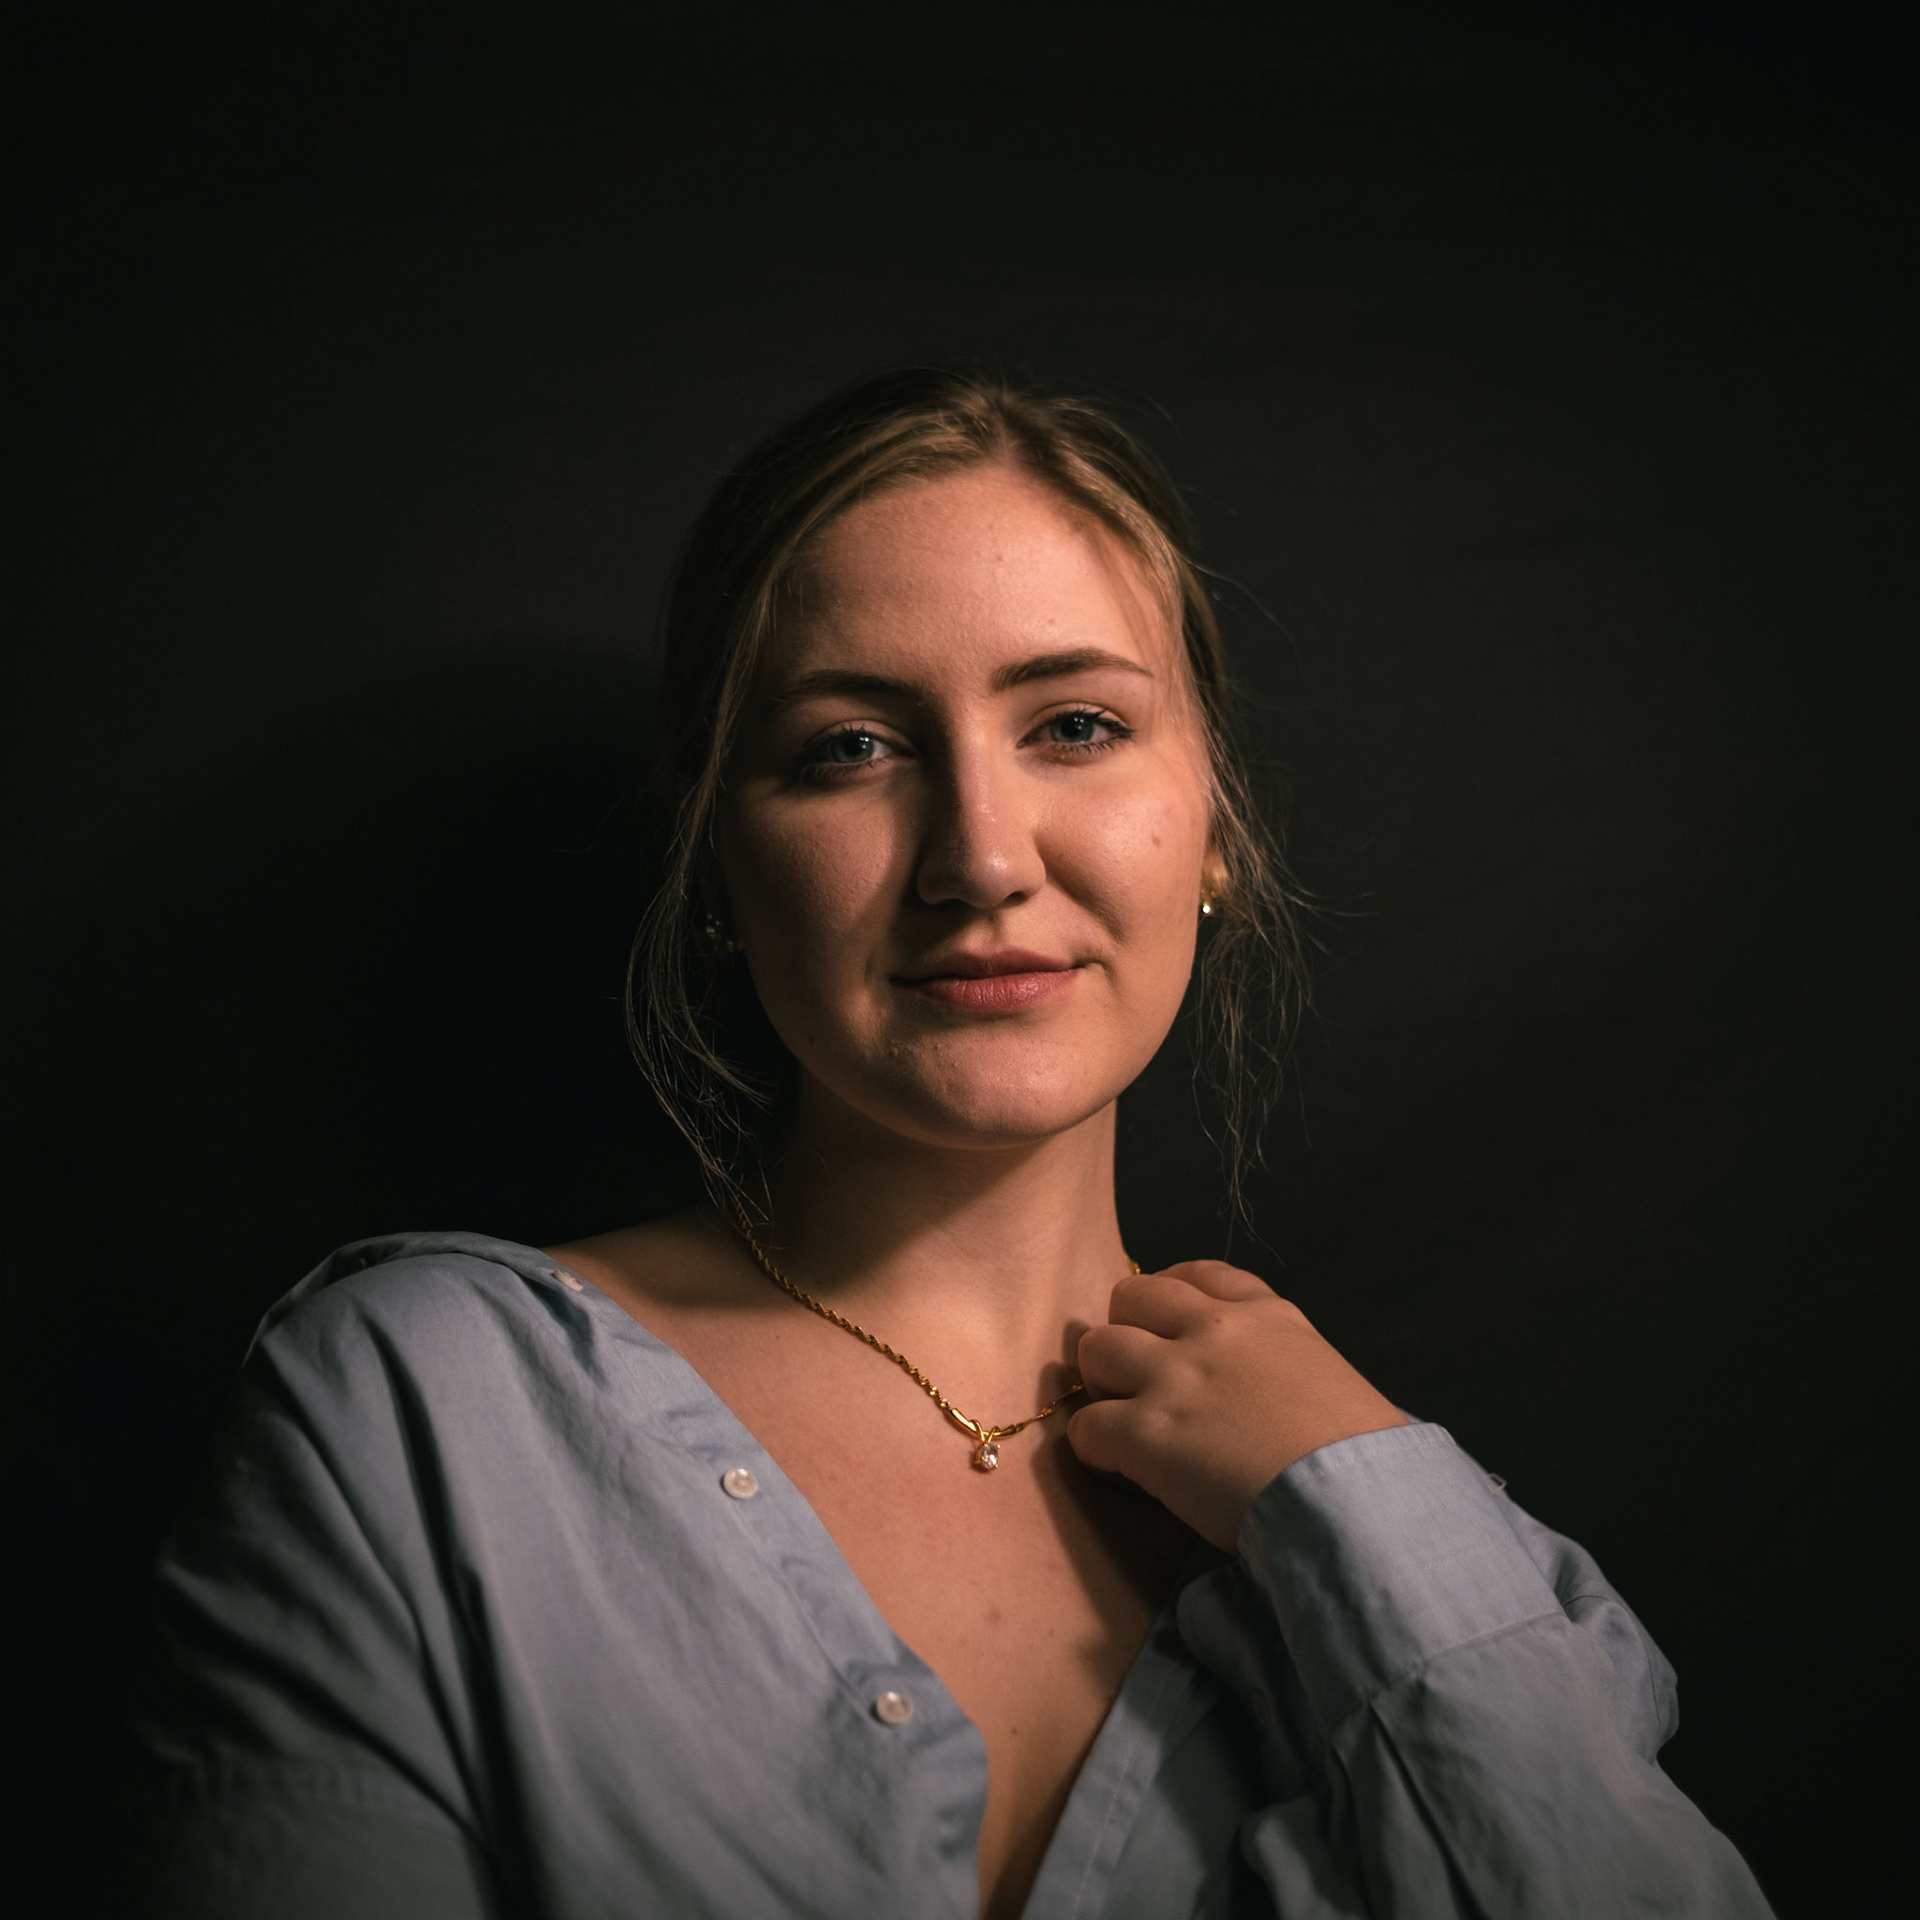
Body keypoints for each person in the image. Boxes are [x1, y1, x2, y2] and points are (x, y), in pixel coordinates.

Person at [136, 370, 1774, 1918]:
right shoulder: (426, 1410)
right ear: (718, 865)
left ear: (1214, 825)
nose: (982, 857)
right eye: (851, 747)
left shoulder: (1442, 1547)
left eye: (1076, 726)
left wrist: (1356, 1503)